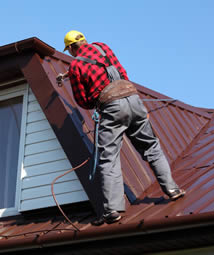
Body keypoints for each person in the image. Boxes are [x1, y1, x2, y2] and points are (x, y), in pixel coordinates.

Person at [58, 30, 185, 225]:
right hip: (133, 98)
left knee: (108, 158)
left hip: (112, 106)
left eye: (70, 51)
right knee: (151, 146)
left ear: (72, 48)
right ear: (84, 40)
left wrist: (97, 102)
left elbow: (82, 100)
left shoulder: (76, 65)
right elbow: (121, 73)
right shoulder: (103, 47)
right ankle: (172, 189)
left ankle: (113, 210)